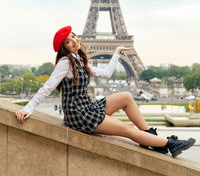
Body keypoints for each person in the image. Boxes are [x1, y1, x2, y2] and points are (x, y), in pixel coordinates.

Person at [15, 26, 196, 158]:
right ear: (64, 47)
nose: (74, 40)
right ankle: (171, 145)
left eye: (74, 36)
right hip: (78, 115)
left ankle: (151, 137)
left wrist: (116, 52)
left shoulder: (79, 60)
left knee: (126, 96)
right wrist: (28, 109)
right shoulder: (65, 62)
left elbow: (106, 73)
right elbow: (47, 87)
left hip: (86, 108)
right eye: (68, 41)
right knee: (126, 129)